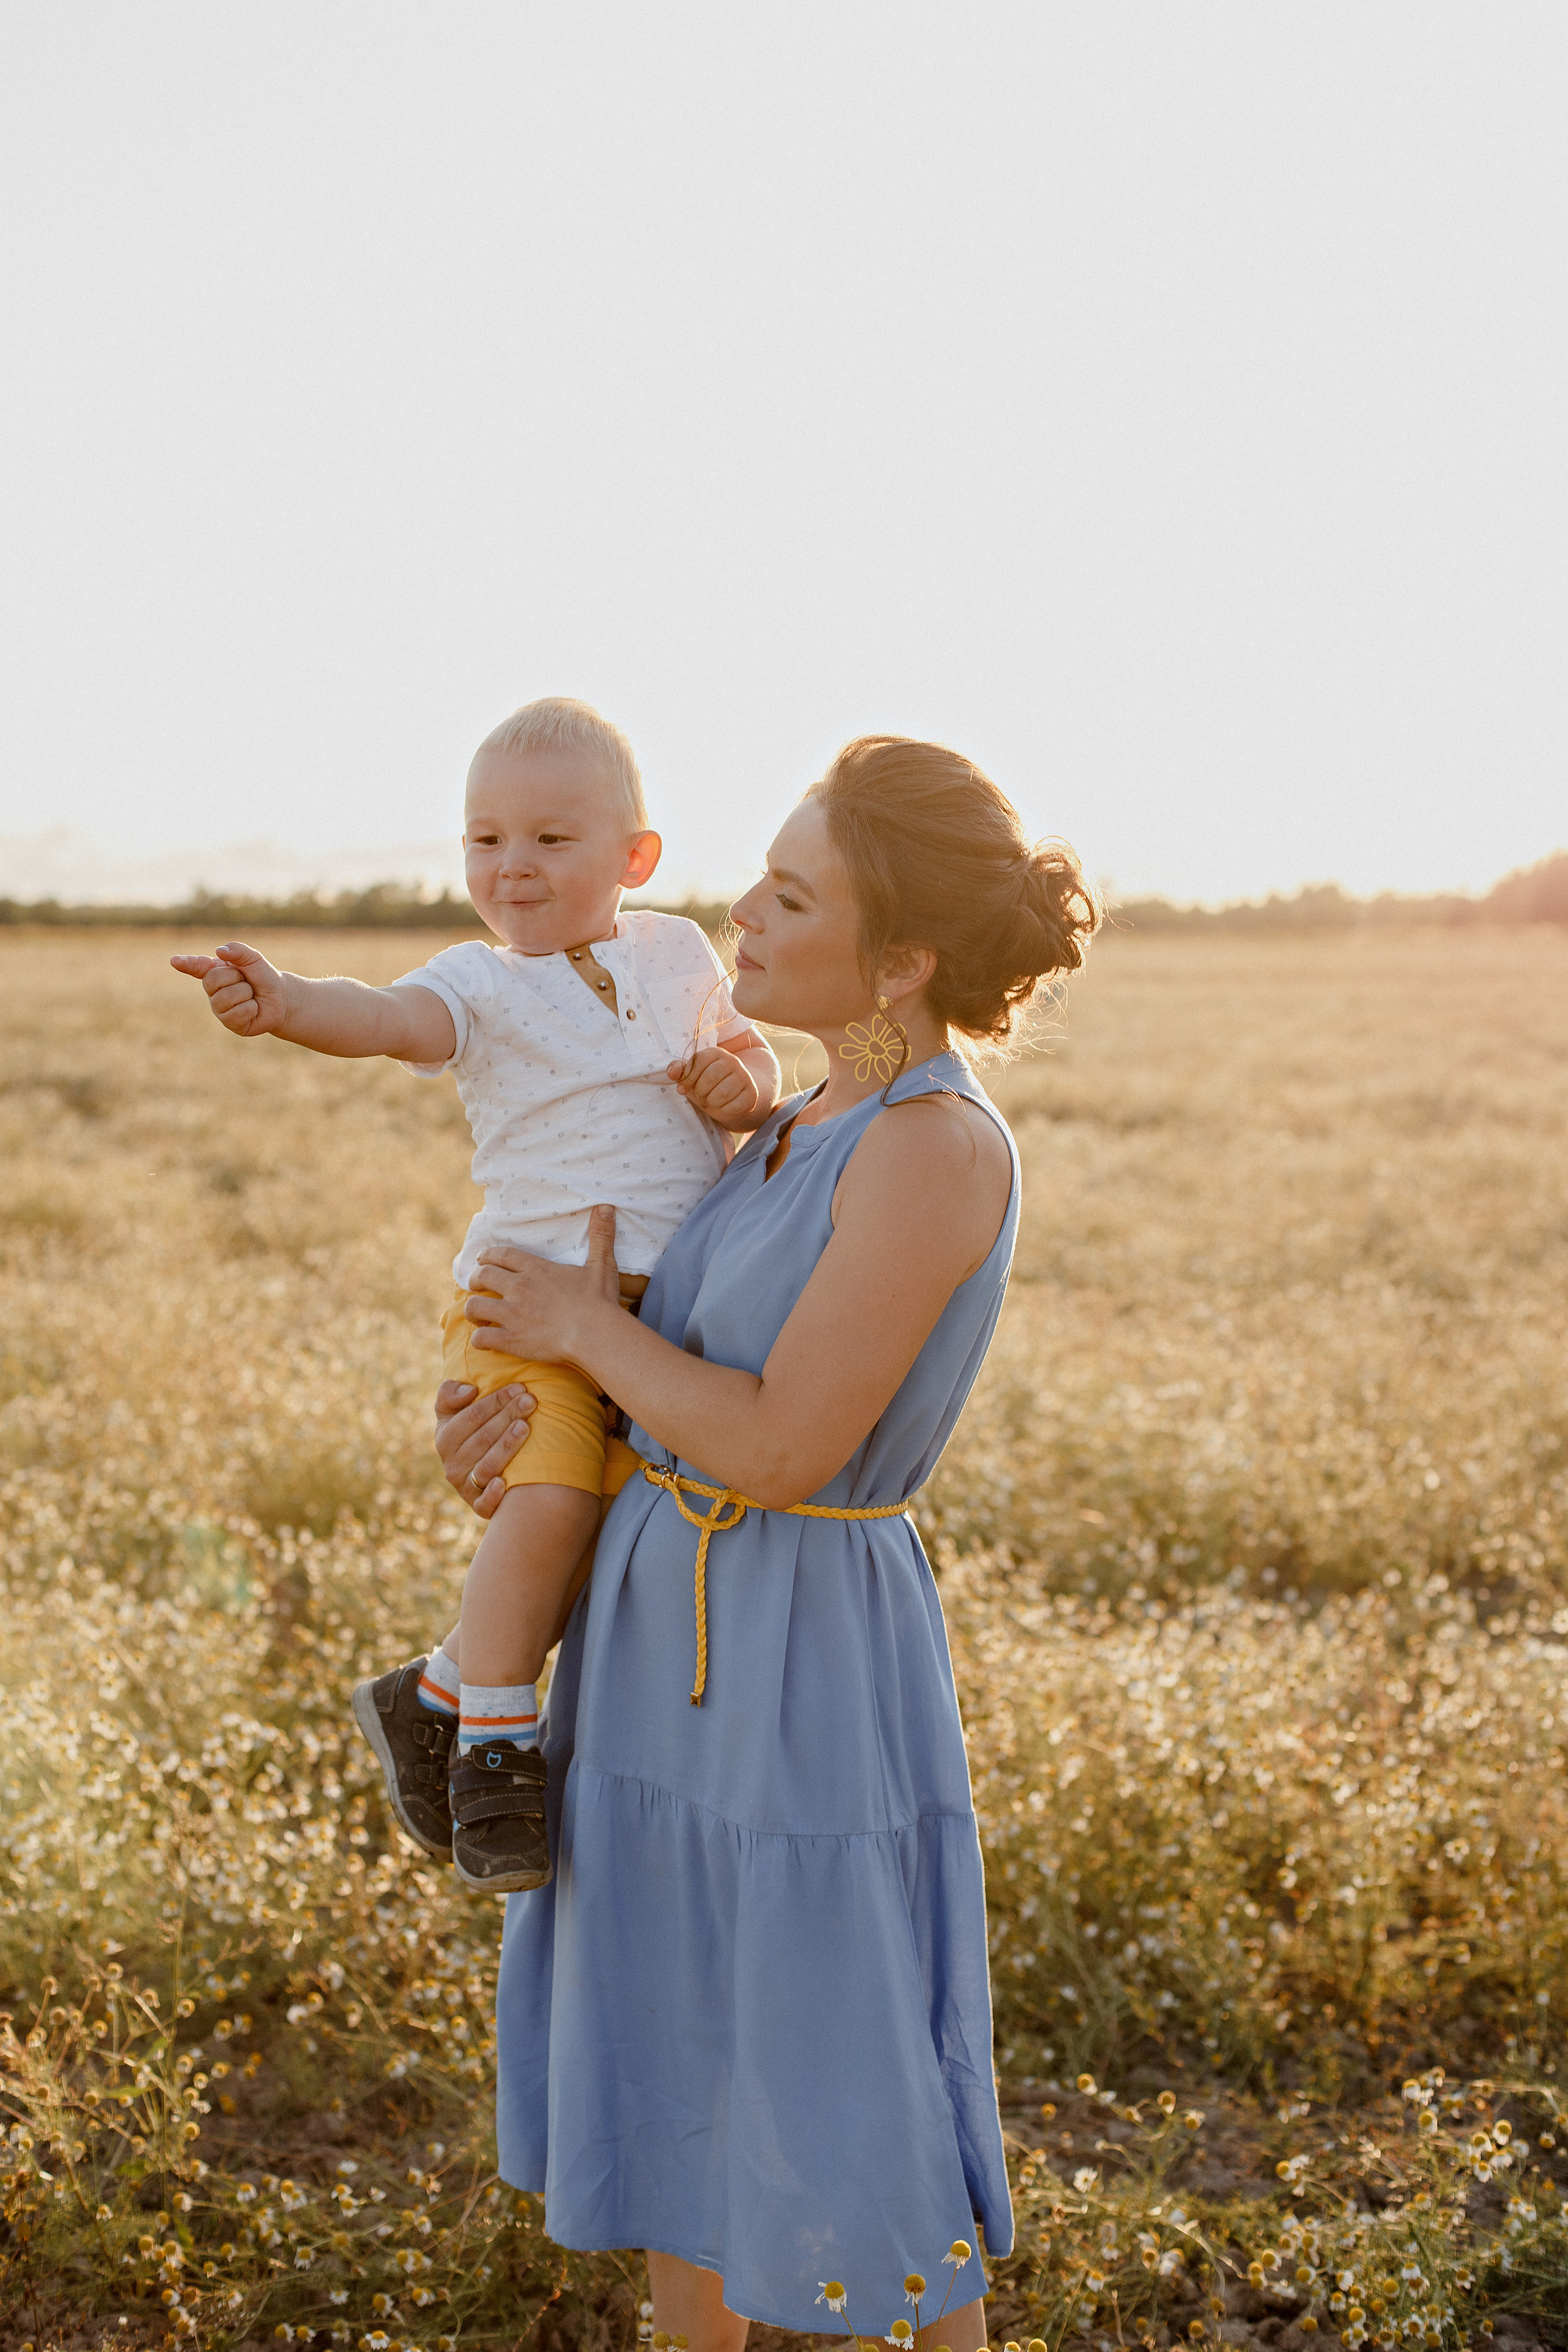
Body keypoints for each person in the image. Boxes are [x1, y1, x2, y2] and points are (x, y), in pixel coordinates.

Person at [432, 735, 1101, 2350]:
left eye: (793, 894)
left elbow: (789, 1447)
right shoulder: (792, 1122)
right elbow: (678, 1394)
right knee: (684, 2071)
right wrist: (523, 1457)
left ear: (906, 956)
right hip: (659, 1642)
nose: (744, 908)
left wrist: (590, 1330)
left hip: (802, 1653)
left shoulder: (936, 1145)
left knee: (847, 2066)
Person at [171, 698, 780, 1893]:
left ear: (634, 859)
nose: (511, 866)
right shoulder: (477, 984)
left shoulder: (676, 955)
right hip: (528, 1305)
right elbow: (391, 1020)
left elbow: (749, 1058)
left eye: (550, 840)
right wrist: (288, 1001)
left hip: (655, 1316)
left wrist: (741, 1084)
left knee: (611, 1527)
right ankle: (493, 1745)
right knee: (546, 1505)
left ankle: (433, 1686)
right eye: (483, 840)